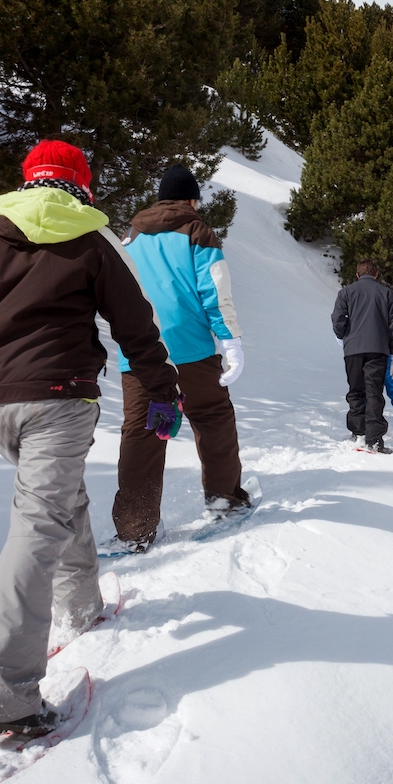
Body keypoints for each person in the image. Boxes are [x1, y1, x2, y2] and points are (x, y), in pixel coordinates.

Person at [0, 139, 181, 738]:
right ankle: (2, 696)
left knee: (57, 499)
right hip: (58, 395)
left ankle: (80, 606)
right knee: (40, 521)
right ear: (81, 184)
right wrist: (161, 390)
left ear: (28, 180)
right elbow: (136, 323)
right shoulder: (90, 238)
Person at [112, 164, 249, 551]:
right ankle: (224, 500)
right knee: (212, 418)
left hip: (139, 355)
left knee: (141, 434)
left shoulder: (131, 237)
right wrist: (231, 340)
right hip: (191, 350)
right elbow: (214, 291)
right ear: (192, 199)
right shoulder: (198, 231)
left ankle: (134, 531)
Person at [331, 259, 393, 453]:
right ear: (376, 274)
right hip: (378, 349)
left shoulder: (345, 292)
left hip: (352, 349)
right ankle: (374, 438)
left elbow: (338, 319)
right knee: (374, 391)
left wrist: (343, 336)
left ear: (357, 274)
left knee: (356, 389)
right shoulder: (386, 293)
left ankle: (358, 431)